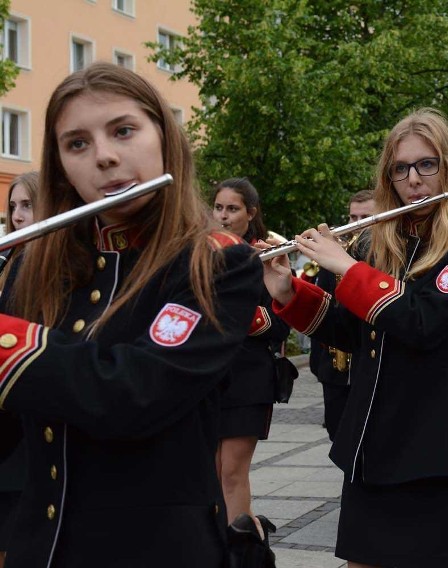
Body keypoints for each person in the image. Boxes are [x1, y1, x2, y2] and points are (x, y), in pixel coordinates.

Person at [0, 63, 263, 566]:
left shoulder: (217, 263)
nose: (104, 156)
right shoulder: (31, 267)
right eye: (77, 143)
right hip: (41, 548)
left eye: (123, 130)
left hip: (156, 550)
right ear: (59, 165)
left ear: (164, 137)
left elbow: (134, 394)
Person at [260, 108, 448, 567]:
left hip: (429, 439)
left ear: (447, 166)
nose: (414, 179)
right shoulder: (377, 243)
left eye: (426, 164)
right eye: (401, 168)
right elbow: (353, 331)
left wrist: (347, 267)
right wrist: (290, 291)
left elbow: (422, 321)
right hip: (371, 436)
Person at [212, 178, 292, 524]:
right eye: (218, 208)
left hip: (248, 378)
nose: (224, 216)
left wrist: (231, 314)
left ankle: (242, 552)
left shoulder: (266, 255)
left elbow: (282, 325)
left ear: (251, 213)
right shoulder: (204, 253)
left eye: (232, 209)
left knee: (231, 472)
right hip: (209, 376)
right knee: (210, 472)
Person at [307, 189, 376, 441]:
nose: (355, 225)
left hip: (365, 364)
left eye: (364, 218)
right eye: (352, 217)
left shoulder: (383, 258)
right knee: (338, 437)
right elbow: (322, 306)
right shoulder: (330, 257)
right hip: (333, 370)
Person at [0, 171, 38, 568]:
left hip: (24, 411)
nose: (16, 216)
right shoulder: (14, 258)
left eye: (27, 205)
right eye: (13, 207)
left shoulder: (41, 260)